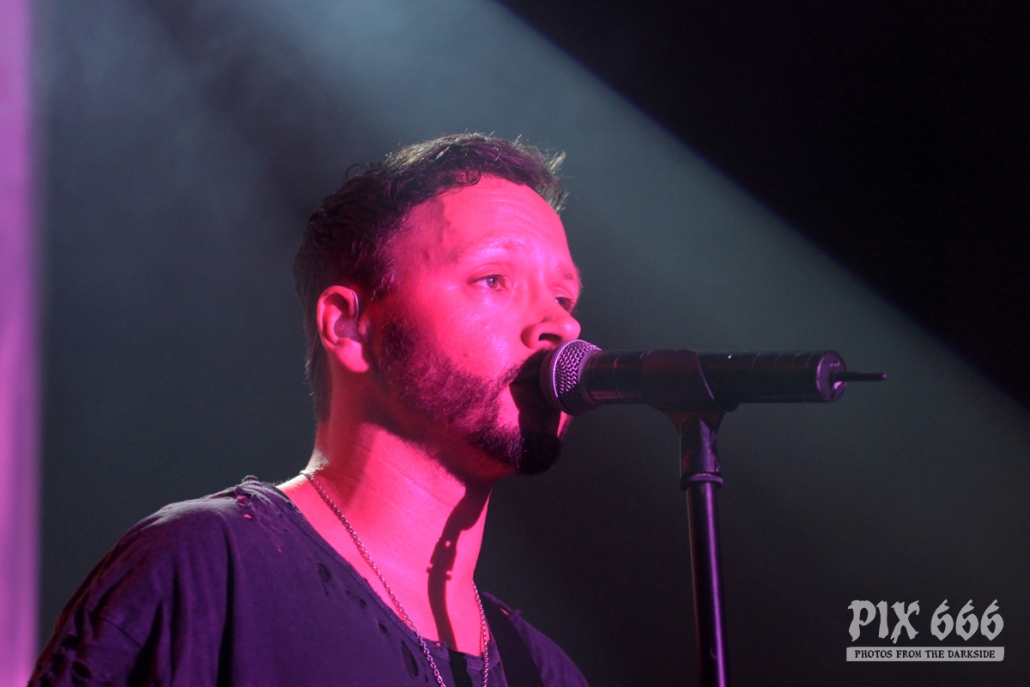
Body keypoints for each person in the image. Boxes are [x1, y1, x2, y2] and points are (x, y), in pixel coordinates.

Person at [31, 134, 590, 687]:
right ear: (349, 327)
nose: (562, 326)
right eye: (493, 280)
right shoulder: (208, 568)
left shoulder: (542, 671)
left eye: (563, 297)